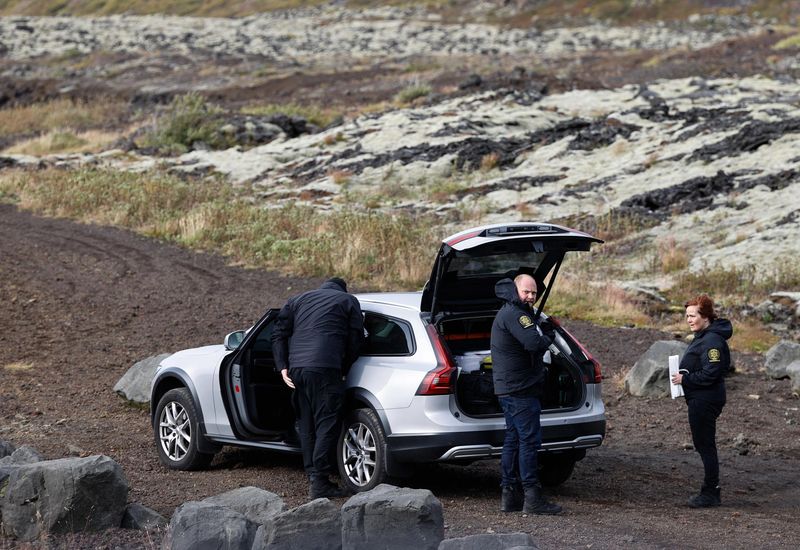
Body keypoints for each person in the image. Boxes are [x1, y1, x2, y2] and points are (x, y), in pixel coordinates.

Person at [272, 277, 364, 499]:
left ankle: (314, 476)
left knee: (307, 423)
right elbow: (356, 339)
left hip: (297, 370)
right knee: (327, 423)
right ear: (343, 288)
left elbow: (278, 334)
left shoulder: (297, 300)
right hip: (325, 367)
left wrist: (282, 366)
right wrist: (344, 366)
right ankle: (320, 481)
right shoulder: (348, 301)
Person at [490, 273, 562, 515]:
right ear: (515, 290)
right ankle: (532, 498)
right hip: (520, 390)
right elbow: (533, 344)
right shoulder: (516, 314)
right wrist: (549, 336)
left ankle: (509, 496)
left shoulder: (511, 311)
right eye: (526, 292)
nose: (531, 296)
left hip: (509, 388)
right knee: (529, 442)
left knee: (513, 439)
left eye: (533, 293)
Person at [671, 294, 732, 508]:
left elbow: (712, 373)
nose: (688, 320)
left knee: (705, 445)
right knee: (704, 444)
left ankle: (710, 493)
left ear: (705, 316)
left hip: (706, 399)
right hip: (701, 398)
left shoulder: (712, 340)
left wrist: (685, 379)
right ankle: (711, 490)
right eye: (686, 316)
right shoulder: (704, 336)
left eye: (692, 316)